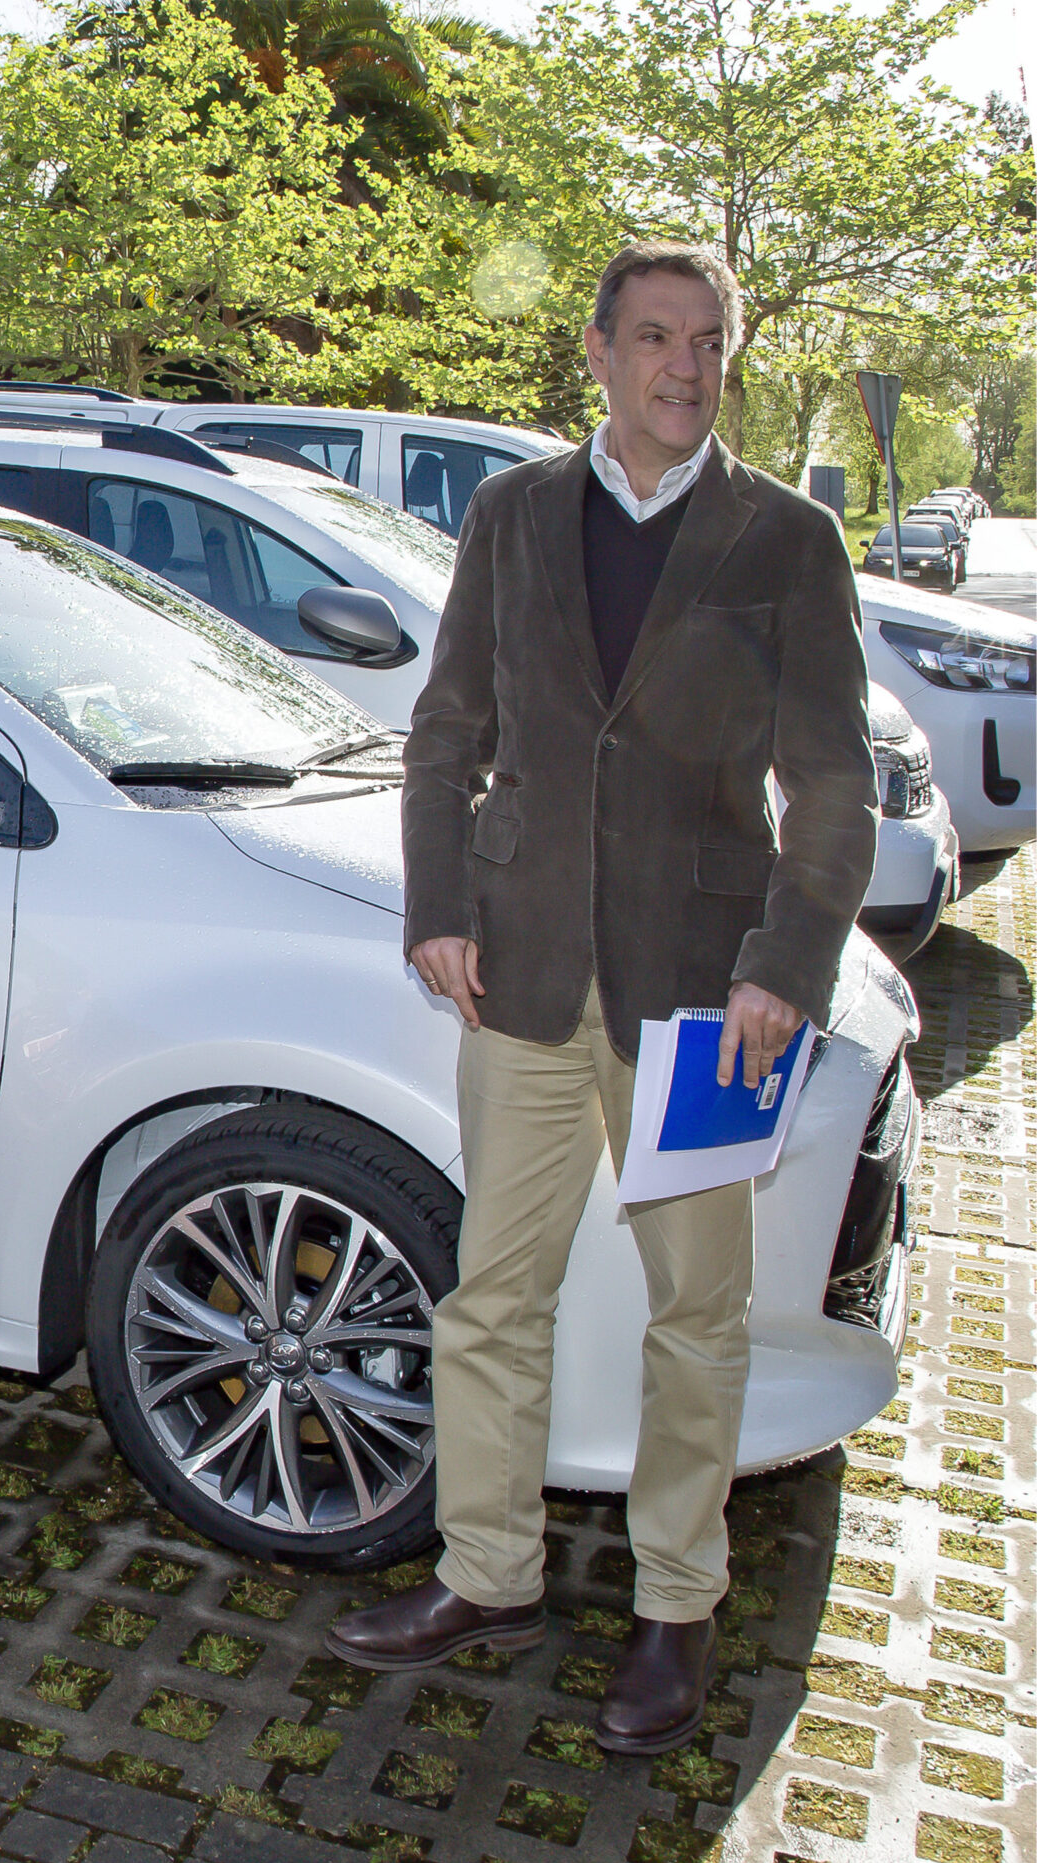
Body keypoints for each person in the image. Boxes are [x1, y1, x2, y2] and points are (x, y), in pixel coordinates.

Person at [324, 241, 877, 1755]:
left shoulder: (785, 541)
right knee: (491, 1296)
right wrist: (439, 907)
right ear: (598, 352)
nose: (683, 367)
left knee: (697, 1316)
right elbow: (447, 731)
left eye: (707, 341)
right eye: (654, 337)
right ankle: (487, 1575)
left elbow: (832, 785)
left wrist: (786, 964)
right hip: (519, 979)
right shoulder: (511, 515)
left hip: (705, 1004)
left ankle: (677, 1607)